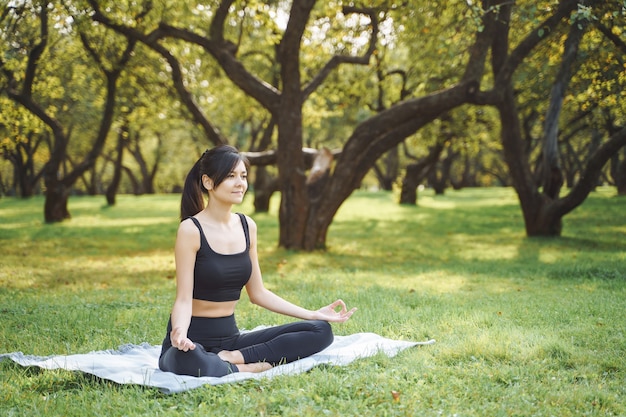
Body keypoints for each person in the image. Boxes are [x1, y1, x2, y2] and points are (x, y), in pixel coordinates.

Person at [159, 145, 357, 377]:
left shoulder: (247, 226)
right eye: (231, 176)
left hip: (231, 341)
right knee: (185, 359)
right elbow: (183, 299)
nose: (240, 183)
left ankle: (232, 361)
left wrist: (313, 313)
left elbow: (258, 293)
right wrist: (179, 332)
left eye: (243, 176)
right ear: (208, 182)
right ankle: (249, 367)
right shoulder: (191, 229)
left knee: (320, 331)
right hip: (192, 342)